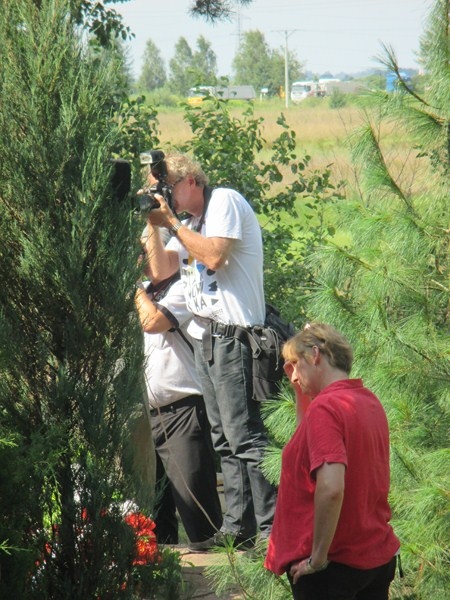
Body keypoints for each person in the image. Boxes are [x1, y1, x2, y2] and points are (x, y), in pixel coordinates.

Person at [141, 152, 277, 548]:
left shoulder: (224, 202)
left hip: (236, 337)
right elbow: (161, 271)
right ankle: (238, 528)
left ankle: (270, 531)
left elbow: (215, 255)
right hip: (208, 339)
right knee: (224, 441)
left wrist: (170, 223)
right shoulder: (189, 224)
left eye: (168, 188)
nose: (166, 196)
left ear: (192, 181)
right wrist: (152, 223)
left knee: (246, 438)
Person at [264, 323, 400, 600]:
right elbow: (305, 443)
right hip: (373, 556)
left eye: (295, 364)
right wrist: (301, 393)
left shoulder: (326, 409)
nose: (292, 376)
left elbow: (331, 487)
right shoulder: (367, 401)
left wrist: (317, 559)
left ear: (316, 355)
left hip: (333, 567)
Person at [135, 261, 223, 550]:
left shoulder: (185, 286)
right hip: (146, 419)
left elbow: (153, 322)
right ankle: (162, 571)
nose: (141, 259)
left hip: (183, 413)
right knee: (153, 515)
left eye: (146, 251)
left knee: (197, 510)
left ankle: (217, 574)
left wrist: (133, 287)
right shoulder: (144, 292)